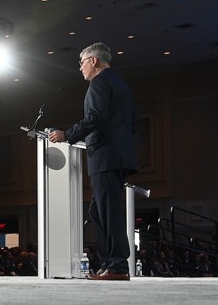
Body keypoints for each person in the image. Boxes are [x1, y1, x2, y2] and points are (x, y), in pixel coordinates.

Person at [48, 42, 137, 281]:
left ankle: (117, 266)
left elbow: (95, 117)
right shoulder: (122, 85)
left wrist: (67, 134)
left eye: (82, 62)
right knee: (98, 211)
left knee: (108, 212)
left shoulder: (99, 82)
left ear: (94, 61)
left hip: (106, 156)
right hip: (119, 156)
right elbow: (132, 124)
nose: (80, 68)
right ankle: (110, 263)